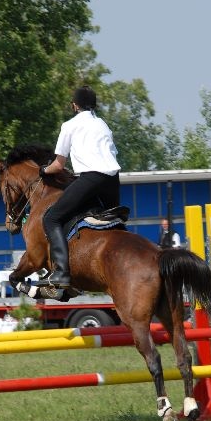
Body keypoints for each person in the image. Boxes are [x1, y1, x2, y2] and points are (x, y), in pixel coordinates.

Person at [39, 85, 121, 288]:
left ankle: (61, 272)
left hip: (90, 178)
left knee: (51, 218)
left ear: (75, 105)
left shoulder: (69, 126)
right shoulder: (102, 124)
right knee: (113, 222)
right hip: (112, 181)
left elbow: (58, 165)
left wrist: (43, 170)